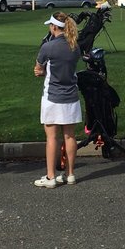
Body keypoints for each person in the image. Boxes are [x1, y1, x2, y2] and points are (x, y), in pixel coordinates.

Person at [33, 12, 82, 187]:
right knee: (70, 136)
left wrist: (43, 71)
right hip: (71, 97)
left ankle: (50, 177)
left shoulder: (48, 47)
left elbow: (38, 68)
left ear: (54, 27)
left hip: (53, 97)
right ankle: (70, 175)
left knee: (52, 137)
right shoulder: (74, 46)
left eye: (50, 26)